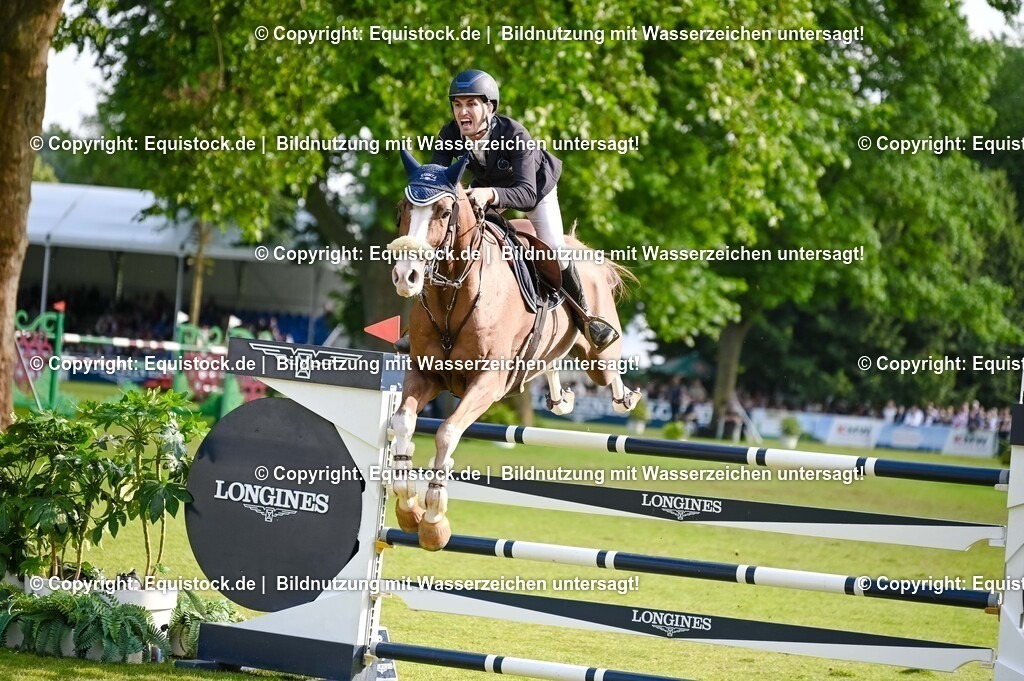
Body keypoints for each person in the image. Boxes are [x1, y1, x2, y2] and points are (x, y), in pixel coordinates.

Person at [421, 68, 617, 352]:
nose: (462, 112)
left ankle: (586, 318)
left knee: (554, 249)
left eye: (471, 104)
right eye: (457, 104)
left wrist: (490, 194)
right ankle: (425, 324)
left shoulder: (515, 134)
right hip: (487, 188)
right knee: (451, 238)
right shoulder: (449, 133)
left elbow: (526, 194)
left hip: (534, 189)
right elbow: (438, 180)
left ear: (490, 108)